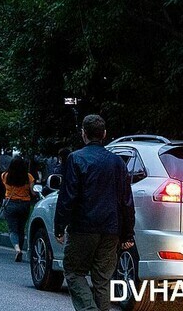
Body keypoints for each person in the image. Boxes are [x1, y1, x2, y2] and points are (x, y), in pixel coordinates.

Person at [55, 115, 135, 311]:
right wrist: (127, 233)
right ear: (104, 134)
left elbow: (68, 197)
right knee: (103, 278)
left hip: (83, 227)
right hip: (111, 229)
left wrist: (59, 226)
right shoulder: (117, 162)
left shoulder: (76, 158)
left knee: (74, 272)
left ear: (83, 134)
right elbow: (126, 201)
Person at [1, 156, 35, 262]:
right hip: (24, 204)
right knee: (21, 228)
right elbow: (33, 192)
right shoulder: (29, 177)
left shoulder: (5, 175)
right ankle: (20, 248)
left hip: (11, 203)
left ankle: (17, 249)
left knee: (13, 229)